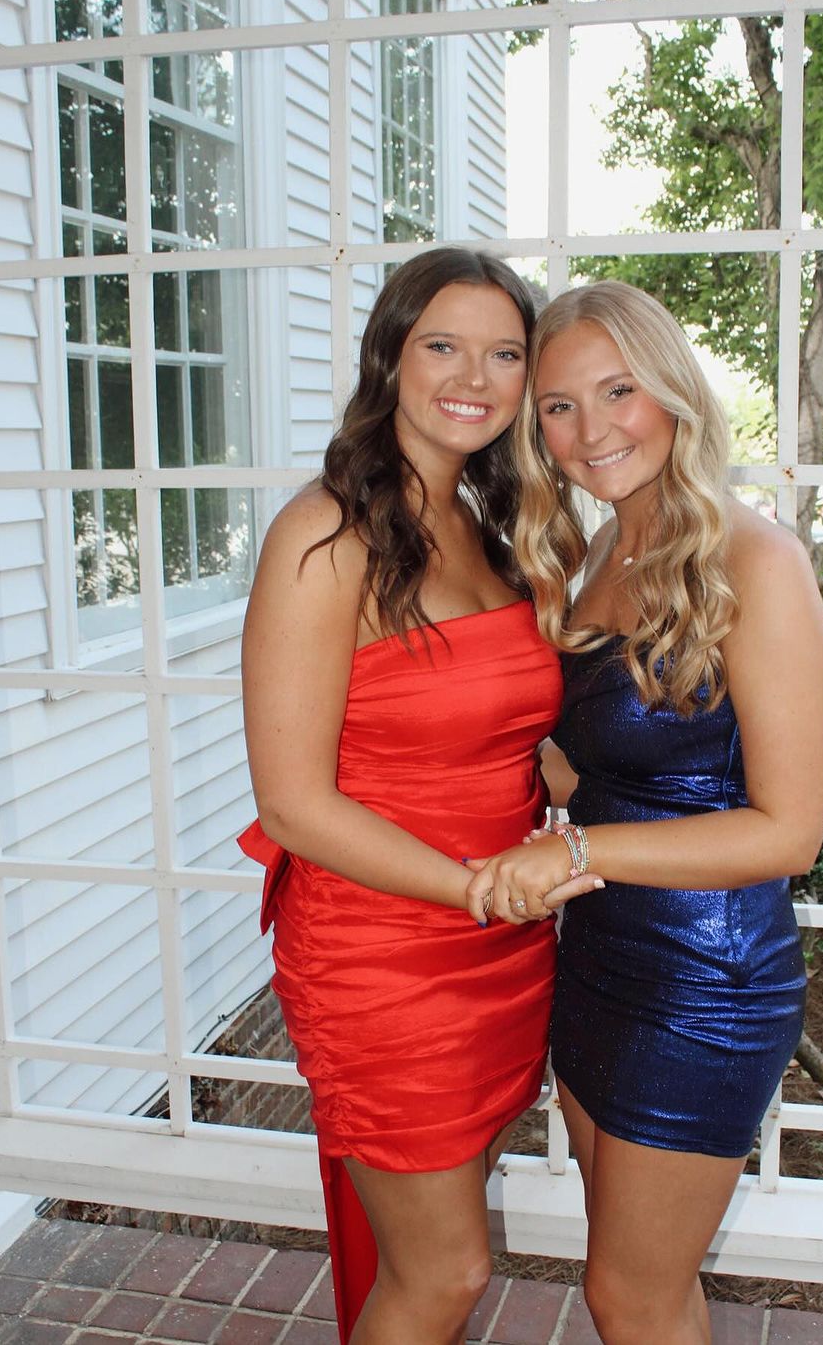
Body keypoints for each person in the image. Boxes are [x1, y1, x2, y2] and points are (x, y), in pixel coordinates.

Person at [237, 248, 599, 1345]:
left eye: (505, 354)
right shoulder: (324, 534)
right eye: (444, 345)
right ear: (391, 355)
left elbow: (517, 736)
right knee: (444, 1272)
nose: (474, 378)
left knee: (428, 1246)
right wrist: (475, 888)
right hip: (383, 945)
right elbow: (293, 803)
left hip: (502, 940)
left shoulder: (493, 528)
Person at [466, 280, 823, 1345]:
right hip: (599, 956)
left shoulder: (757, 560)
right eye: (559, 405)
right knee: (647, 1290)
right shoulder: (595, 554)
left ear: (672, 391)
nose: (592, 430)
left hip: (707, 982)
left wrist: (576, 847)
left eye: (617, 390)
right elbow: (598, 764)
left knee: (629, 1297)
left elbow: (790, 831)